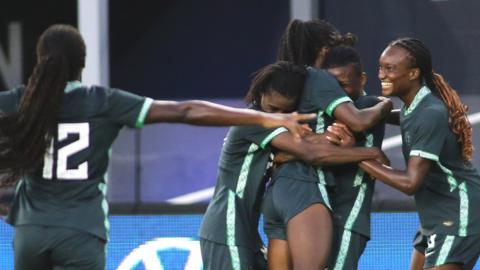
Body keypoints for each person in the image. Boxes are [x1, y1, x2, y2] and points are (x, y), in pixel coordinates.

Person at [0, 25, 315, 270]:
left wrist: (10, 208)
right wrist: (261, 118)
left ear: (41, 61)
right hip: (81, 230)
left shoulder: (19, 102)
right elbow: (185, 111)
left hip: (31, 232)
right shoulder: (102, 102)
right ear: (83, 63)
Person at [199, 61, 387, 270]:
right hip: (227, 226)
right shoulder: (254, 121)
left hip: (246, 229)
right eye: (273, 108)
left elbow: (300, 147)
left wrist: (335, 139)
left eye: (284, 111)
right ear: (261, 93)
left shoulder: (271, 127)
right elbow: (310, 152)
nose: (278, 115)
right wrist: (370, 152)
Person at [262, 19, 392, 270]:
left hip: (277, 189)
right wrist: (385, 105)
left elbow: (278, 148)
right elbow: (357, 120)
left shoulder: (286, 79)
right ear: (323, 50)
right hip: (307, 188)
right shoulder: (318, 78)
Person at [359, 37, 480, 270]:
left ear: (413, 73)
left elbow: (410, 183)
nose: (381, 75)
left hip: (457, 214)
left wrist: (358, 156)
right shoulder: (413, 105)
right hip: (434, 217)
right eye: (381, 67)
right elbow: (403, 118)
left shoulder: (429, 112)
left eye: (390, 68)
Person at [322, 45, 386, 270]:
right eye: (332, 87)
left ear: (363, 79)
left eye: (344, 85)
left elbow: (382, 163)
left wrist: (351, 151)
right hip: (324, 217)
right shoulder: (336, 109)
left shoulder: (366, 107)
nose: (338, 93)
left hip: (350, 217)